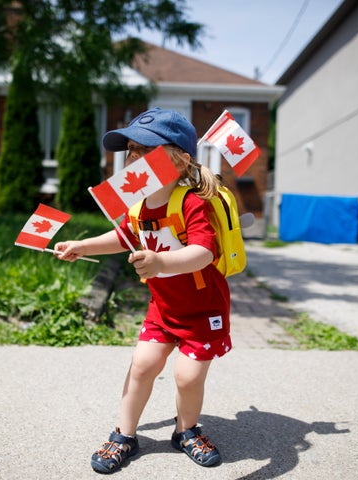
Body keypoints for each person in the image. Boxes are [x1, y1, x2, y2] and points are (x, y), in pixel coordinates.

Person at [54, 107, 231, 474]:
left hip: (202, 308)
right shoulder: (137, 208)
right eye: (131, 150)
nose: (133, 158)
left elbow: (203, 252)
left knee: (187, 376)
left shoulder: (190, 202)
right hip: (165, 309)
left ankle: (187, 431)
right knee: (142, 365)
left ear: (179, 162)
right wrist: (83, 246)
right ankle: (124, 434)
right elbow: (121, 237)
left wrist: (162, 263)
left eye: (144, 150)